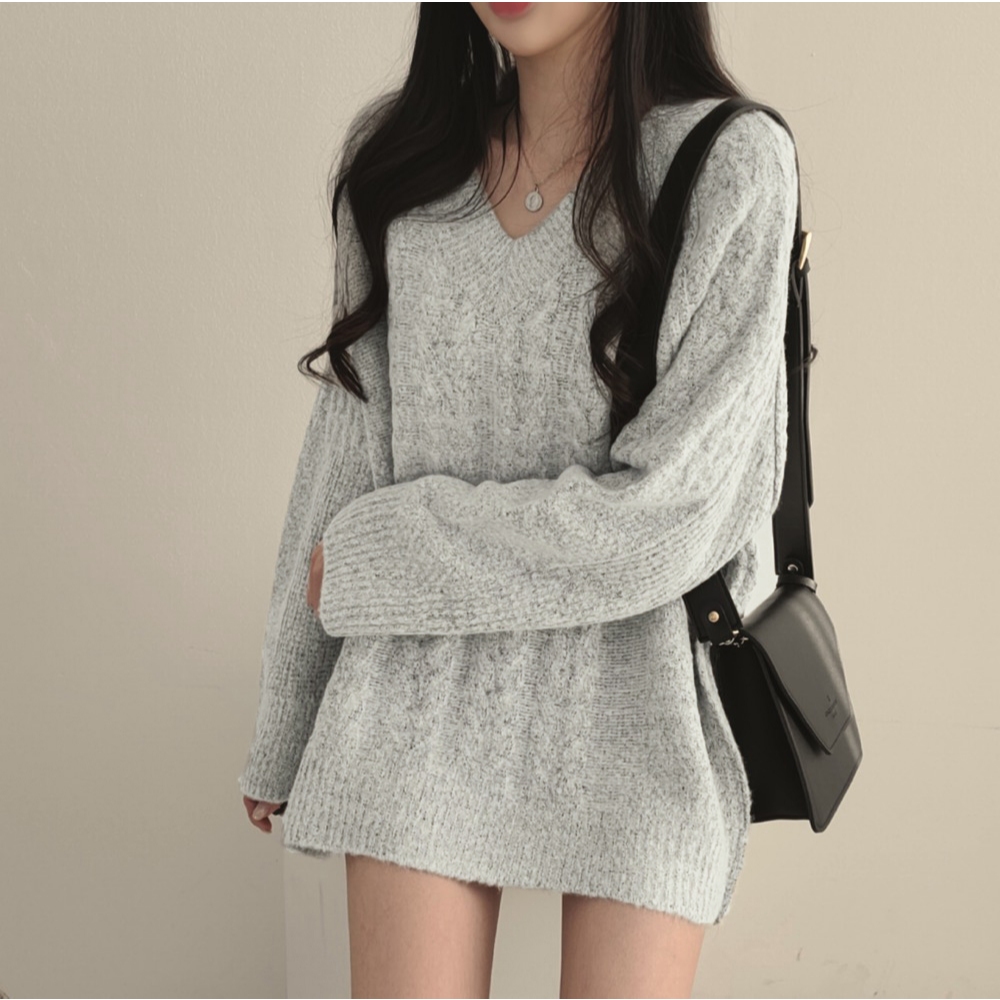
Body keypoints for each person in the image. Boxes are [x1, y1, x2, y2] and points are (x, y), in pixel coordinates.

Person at [238, 3, 799, 997]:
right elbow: (345, 453)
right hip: (412, 703)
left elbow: (670, 517)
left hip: (644, 717)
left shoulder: (726, 163)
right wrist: (286, 719)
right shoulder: (403, 170)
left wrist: (390, 561)